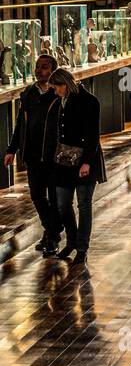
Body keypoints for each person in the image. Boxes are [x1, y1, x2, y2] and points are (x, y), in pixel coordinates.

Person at [46, 68, 108, 268]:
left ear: (65, 84)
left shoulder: (89, 101)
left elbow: (93, 134)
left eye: (57, 87)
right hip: (64, 162)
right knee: (63, 203)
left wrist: (87, 161)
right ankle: (72, 240)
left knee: (83, 204)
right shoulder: (59, 102)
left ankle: (82, 248)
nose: (55, 92)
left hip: (85, 161)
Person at [3, 53, 62, 255]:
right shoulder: (29, 94)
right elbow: (21, 123)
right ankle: (52, 230)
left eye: (44, 67)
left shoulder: (59, 94)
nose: (39, 70)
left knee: (55, 198)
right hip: (33, 154)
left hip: (53, 155)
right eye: (37, 66)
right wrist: (12, 149)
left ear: (53, 70)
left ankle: (52, 236)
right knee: (37, 195)